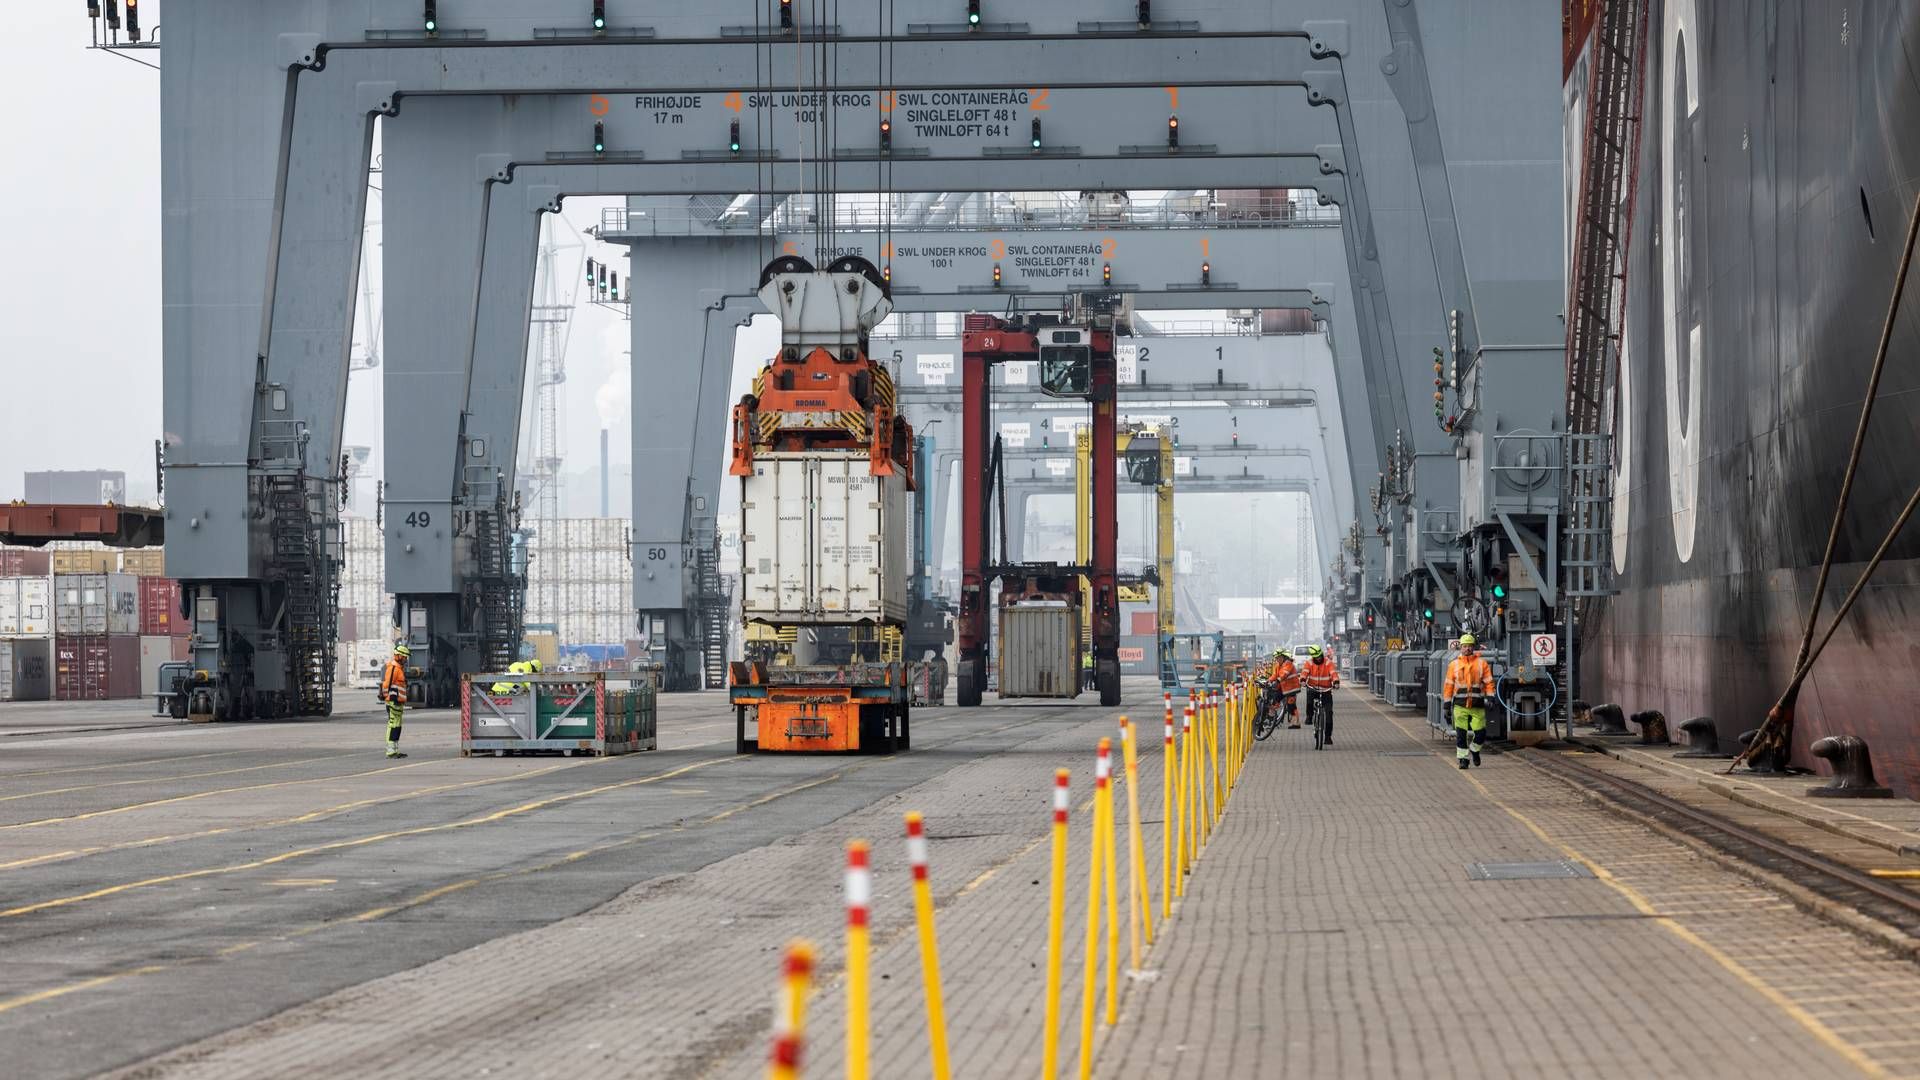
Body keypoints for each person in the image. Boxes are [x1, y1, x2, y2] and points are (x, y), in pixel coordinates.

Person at [1443, 633, 1496, 769]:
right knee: (1461, 735)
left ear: (1473, 647)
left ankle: (1475, 749)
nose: (1467, 648)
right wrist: (1446, 705)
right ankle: (1463, 759)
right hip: (1459, 705)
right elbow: (1448, 686)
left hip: (1477, 704)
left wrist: (1491, 697)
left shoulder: (1481, 664)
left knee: (1480, 733)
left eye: (1469, 646)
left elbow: (1489, 682)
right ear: (1460, 647)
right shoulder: (1453, 665)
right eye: (1464, 646)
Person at [1300, 645, 1339, 743]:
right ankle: (1309, 716)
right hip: (1313, 688)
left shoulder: (1328, 663)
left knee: (1329, 713)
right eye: (1316, 657)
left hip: (1326, 690)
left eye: (1319, 656)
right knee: (1309, 700)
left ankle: (1328, 737)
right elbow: (1304, 673)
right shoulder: (1309, 663)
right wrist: (1303, 680)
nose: (1318, 658)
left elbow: (1333, 674)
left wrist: (1336, 682)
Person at [380, 643, 410, 759]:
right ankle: (391, 751)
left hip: (398, 702)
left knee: (397, 726)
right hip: (394, 702)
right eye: (404, 657)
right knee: (393, 725)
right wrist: (387, 697)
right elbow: (387, 684)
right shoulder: (393, 668)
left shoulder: (398, 668)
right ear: (399, 656)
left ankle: (395, 749)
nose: (406, 659)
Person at [1263, 648, 1302, 729]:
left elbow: (1285, 674)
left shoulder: (1288, 664)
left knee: (1291, 705)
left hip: (1292, 688)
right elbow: (1275, 675)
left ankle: (1296, 723)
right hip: (1283, 688)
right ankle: (1270, 720)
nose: (1277, 659)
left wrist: (1277, 680)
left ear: (1283, 657)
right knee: (1274, 701)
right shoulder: (1278, 666)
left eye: (1279, 657)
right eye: (1276, 658)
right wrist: (1268, 681)